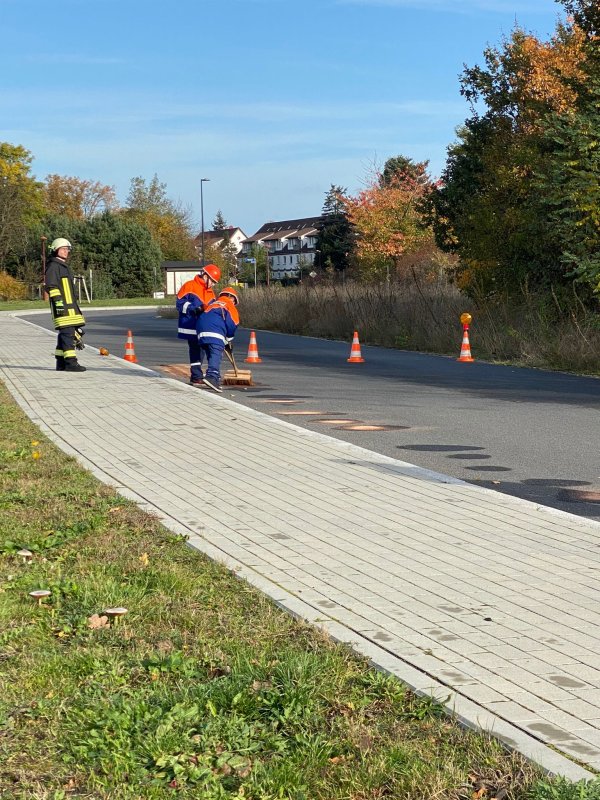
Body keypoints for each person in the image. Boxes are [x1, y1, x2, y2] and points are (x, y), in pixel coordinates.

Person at [44, 238, 86, 372]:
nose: (66, 251)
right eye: (63, 249)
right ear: (55, 250)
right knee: (68, 334)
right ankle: (71, 363)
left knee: (64, 335)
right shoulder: (53, 266)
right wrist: (60, 307)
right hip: (63, 308)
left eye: (67, 249)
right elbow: (52, 287)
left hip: (69, 308)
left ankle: (61, 363)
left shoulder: (61, 266)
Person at [176, 263, 221, 386]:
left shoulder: (211, 293)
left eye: (214, 282)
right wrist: (195, 309)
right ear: (206, 276)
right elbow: (180, 304)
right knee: (196, 350)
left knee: (204, 350)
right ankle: (196, 375)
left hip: (203, 327)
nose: (212, 284)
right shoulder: (189, 286)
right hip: (190, 325)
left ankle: (204, 374)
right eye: (212, 281)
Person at [196, 287, 240, 393]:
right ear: (231, 297)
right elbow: (232, 324)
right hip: (214, 330)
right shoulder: (229, 305)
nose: (234, 303)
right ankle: (211, 376)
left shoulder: (213, 304)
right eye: (234, 300)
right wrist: (229, 340)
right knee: (216, 353)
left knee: (211, 353)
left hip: (201, 331)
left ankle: (216, 378)